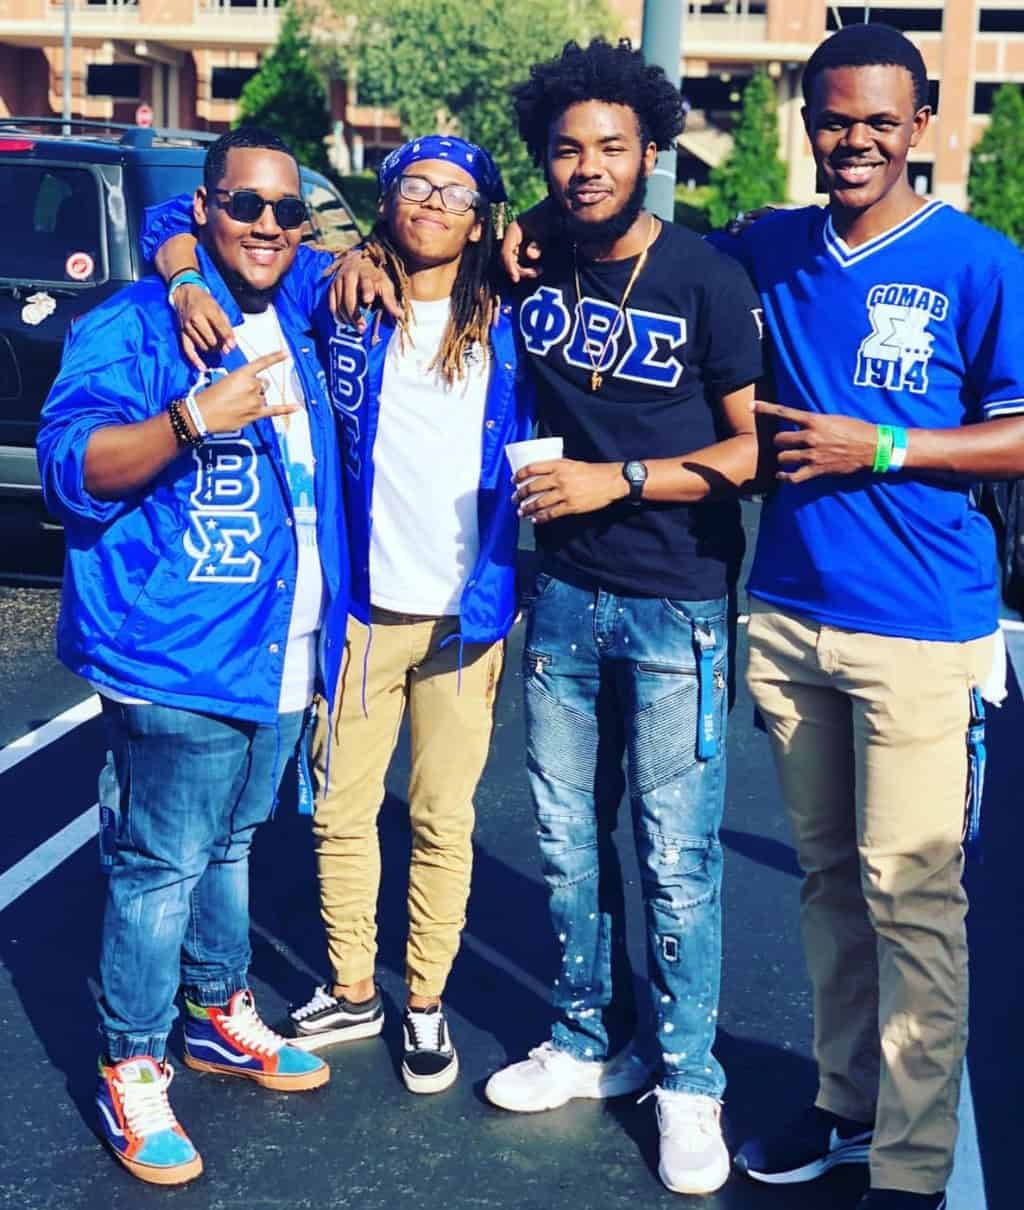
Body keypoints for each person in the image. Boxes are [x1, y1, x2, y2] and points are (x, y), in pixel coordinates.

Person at [703, 25, 1024, 1210]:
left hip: (921, 627)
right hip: (790, 614)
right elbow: (637, 251)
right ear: (808, 120)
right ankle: (846, 1104)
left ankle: (911, 1166)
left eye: (881, 122)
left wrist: (882, 444)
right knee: (828, 886)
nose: (856, 141)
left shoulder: (980, 261)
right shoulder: (771, 244)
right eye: (836, 119)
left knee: (912, 897)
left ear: (919, 126)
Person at [142, 135, 532, 1095]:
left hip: (467, 617)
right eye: (415, 186)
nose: (433, 203)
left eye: (457, 193)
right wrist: (188, 280)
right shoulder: (337, 291)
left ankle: (426, 1000)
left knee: (441, 817)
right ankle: (355, 986)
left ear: (480, 219)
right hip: (363, 608)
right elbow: (174, 216)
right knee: (344, 812)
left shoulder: (514, 314)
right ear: (385, 201)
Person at [466, 38, 761, 1197]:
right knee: (565, 846)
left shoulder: (703, 277)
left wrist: (619, 481)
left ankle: (689, 1081)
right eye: (565, 150)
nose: (587, 167)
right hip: (564, 600)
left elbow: (751, 452)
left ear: (650, 153)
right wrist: (517, 229)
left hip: (678, 606)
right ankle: (593, 1039)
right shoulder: (531, 261)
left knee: (676, 859)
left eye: (610, 147)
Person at [36, 126, 349, 1186]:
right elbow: (69, 466)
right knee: (159, 866)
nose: (268, 226)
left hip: (281, 645)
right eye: (244, 205)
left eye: (286, 211)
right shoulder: (135, 323)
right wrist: (187, 418)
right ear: (207, 209)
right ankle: (131, 1063)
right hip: (173, 652)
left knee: (231, 845)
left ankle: (217, 1009)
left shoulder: (293, 304)